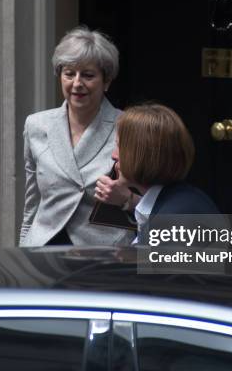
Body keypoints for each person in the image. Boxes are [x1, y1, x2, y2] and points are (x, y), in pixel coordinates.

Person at [19, 27, 134, 247]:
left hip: (104, 252)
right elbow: (32, 203)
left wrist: (126, 199)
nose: (77, 83)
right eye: (69, 73)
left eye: (88, 75)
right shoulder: (36, 125)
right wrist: (24, 253)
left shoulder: (128, 126)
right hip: (44, 249)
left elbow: (151, 201)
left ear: (106, 81)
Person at [95, 103, 220, 241]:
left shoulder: (171, 224)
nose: (114, 155)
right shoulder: (185, 199)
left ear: (142, 155)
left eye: (119, 146)